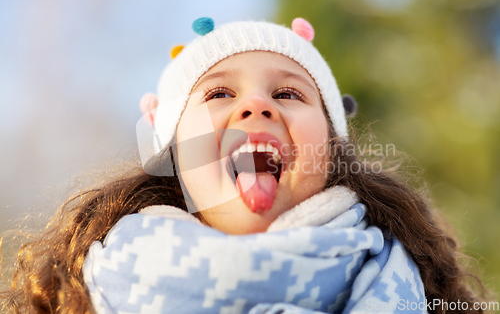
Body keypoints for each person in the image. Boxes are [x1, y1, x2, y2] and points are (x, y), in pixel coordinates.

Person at [0, 17, 489, 314]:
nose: (257, 107)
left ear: (332, 154)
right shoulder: (87, 292)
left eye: (287, 93)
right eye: (219, 93)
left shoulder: (412, 291)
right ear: (171, 152)